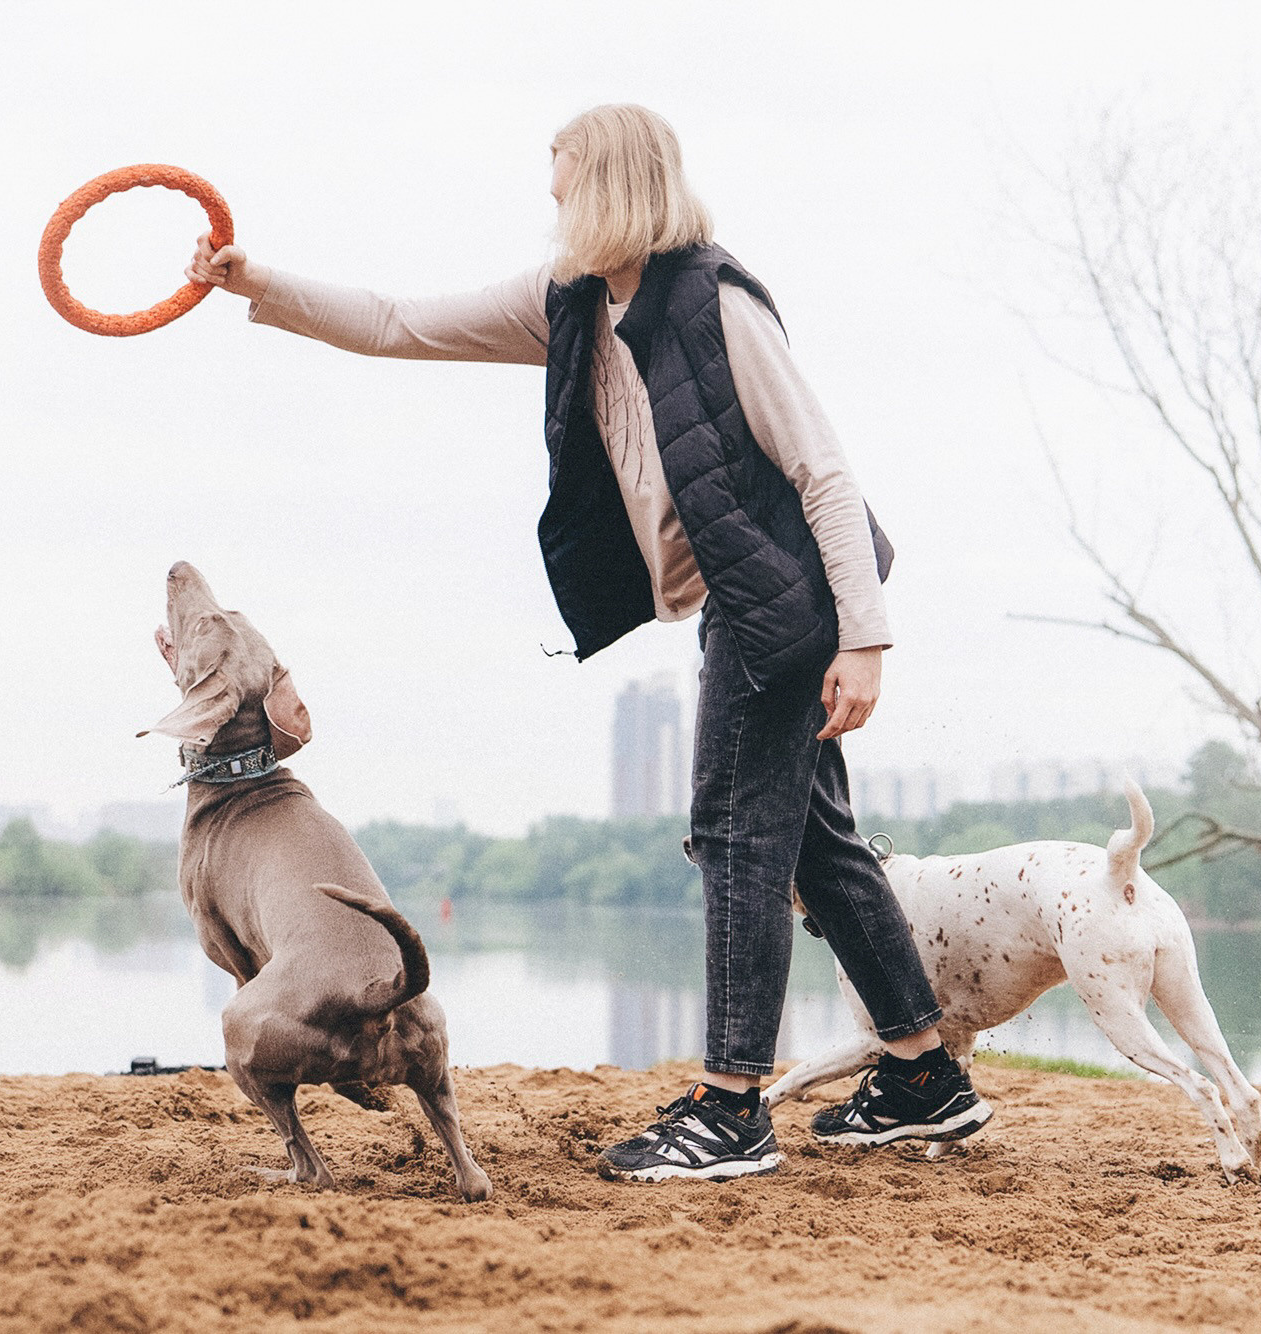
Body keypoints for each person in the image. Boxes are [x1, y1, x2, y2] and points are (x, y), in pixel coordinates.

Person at [186, 103, 989, 1182]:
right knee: (813, 842)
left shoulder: (716, 305)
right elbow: (394, 321)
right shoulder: (565, 303)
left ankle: (731, 1105)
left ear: (609, 183)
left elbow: (824, 476)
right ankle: (921, 1075)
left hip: (782, 605)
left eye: (560, 178)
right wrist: (255, 283)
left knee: (735, 837)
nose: (551, 198)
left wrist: (866, 639)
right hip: (744, 603)